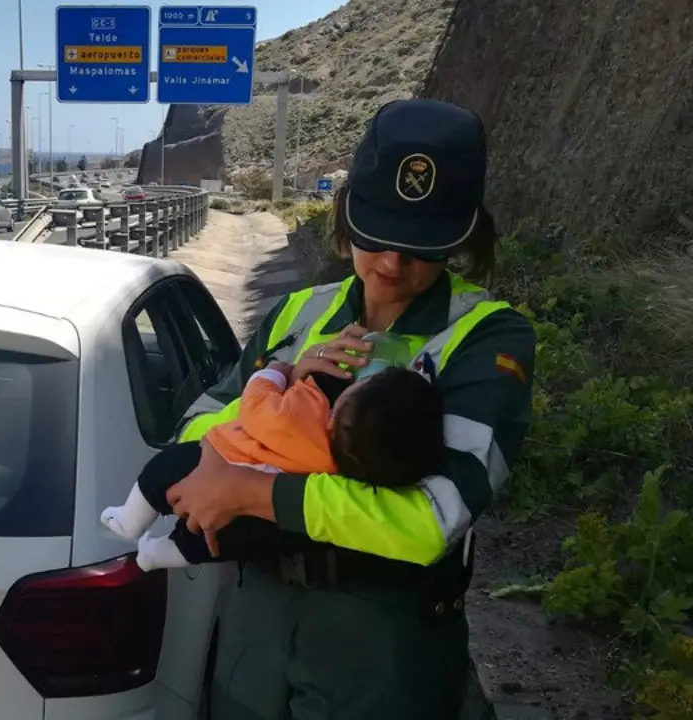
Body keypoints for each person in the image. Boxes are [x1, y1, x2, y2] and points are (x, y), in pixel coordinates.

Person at [166, 97, 537, 719]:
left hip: (382, 635)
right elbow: (194, 430)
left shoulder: (486, 337)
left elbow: (429, 521)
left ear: (463, 236)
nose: (392, 265)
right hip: (255, 616)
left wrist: (249, 488)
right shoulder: (299, 313)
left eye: (421, 247)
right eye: (379, 237)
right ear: (347, 216)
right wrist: (272, 403)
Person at [101, 353, 444, 571]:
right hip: (266, 526)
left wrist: (277, 374)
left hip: (220, 456)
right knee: (220, 544)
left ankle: (130, 520)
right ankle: (156, 555)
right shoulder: (345, 474)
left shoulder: (306, 410)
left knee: (162, 469)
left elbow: (256, 405)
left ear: (339, 409)